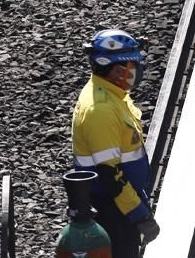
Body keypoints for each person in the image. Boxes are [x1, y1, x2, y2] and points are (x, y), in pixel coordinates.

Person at [71, 29, 161, 257]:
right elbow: (111, 175)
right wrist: (140, 214)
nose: (136, 70)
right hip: (112, 212)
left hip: (120, 206)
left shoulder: (113, 94)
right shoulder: (100, 110)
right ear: (117, 69)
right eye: (132, 64)